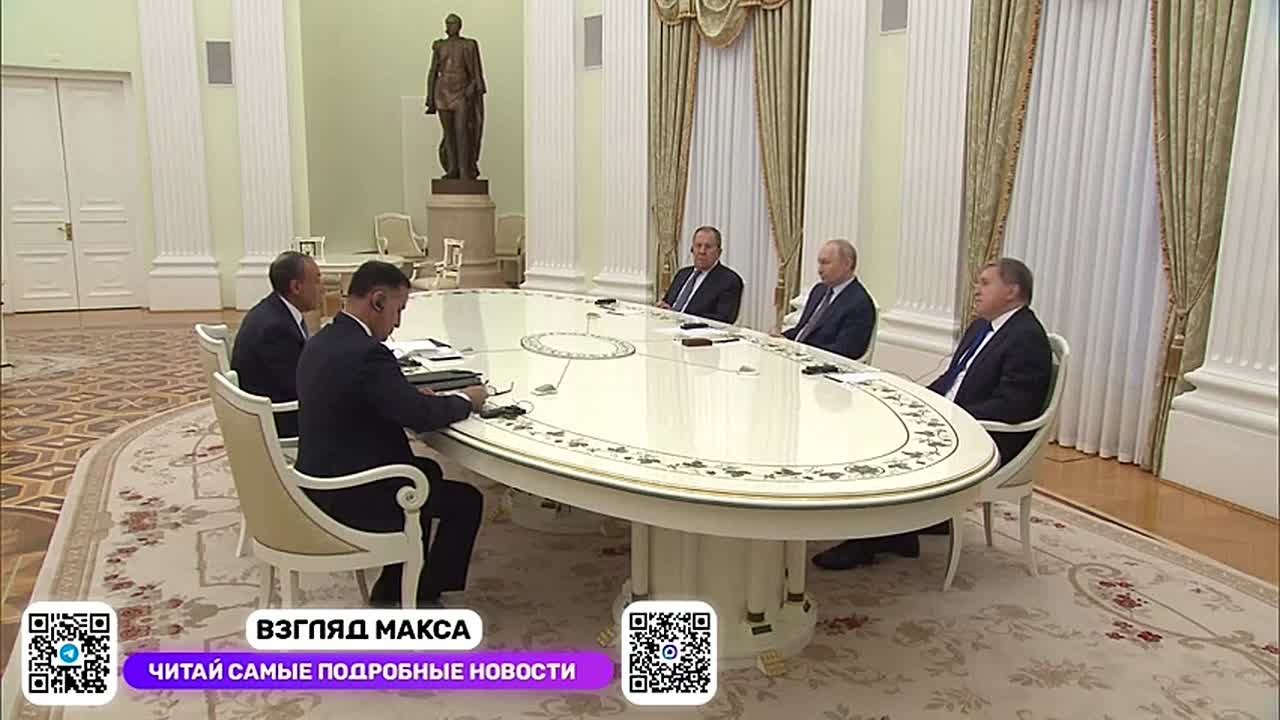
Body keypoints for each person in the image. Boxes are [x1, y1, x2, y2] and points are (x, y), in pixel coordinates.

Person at [812, 258, 1053, 570]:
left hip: (990, 438)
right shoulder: (982, 326)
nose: (976, 290)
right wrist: (920, 398)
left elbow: (1013, 407)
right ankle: (896, 529)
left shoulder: (1027, 337)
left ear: (1012, 291)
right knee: (875, 427)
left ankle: (871, 539)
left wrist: (949, 414)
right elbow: (952, 379)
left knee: (891, 452)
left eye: (985, 283)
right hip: (957, 422)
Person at [294, 260, 490, 607]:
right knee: (467, 501)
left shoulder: (324, 339)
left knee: (427, 471)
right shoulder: (368, 354)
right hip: (350, 494)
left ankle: (394, 584)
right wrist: (466, 399)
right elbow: (419, 417)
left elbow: (371, 398)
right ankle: (423, 593)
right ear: (378, 301)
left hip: (319, 476)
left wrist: (408, 397)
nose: (397, 322)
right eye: (398, 310)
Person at [230, 251, 320, 438]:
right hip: (279, 420)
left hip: (271, 406)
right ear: (296, 287)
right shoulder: (276, 329)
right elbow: (298, 386)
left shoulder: (273, 310)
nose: (323, 289)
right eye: (317, 281)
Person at [781, 239, 876, 360]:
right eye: (819, 263)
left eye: (825, 263)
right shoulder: (819, 290)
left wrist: (801, 349)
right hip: (795, 356)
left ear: (847, 264)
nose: (819, 270)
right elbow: (802, 330)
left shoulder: (860, 304)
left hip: (820, 364)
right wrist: (781, 338)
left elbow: (845, 351)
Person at [425, 13, 486, 180]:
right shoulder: (439, 46)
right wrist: (430, 98)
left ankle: (465, 169)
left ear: (460, 25)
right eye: (448, 23)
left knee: (462, 131)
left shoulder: (469, 45)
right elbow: (433, 71)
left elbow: (476, 71)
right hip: (443, 92)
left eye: (453, 23)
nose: (450, 26)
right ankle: (452, 169)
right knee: (449, 133)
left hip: (461, 92)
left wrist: (472, 88)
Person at [657, 226, 744, 324]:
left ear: (719, 252)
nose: (702, 251)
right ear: (692, 249)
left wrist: (681, 317)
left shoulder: (730, 281)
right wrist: (663, 308)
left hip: (696, 332)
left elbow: (724, 319)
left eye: (708, 247)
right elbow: (667, 302)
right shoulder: (682, 274)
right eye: (698, 246)